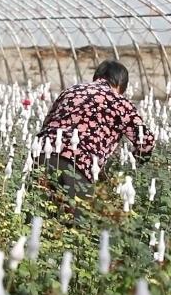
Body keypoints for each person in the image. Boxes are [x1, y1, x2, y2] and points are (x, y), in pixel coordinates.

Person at [36, 60, 155, 208]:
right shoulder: (119, 102)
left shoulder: (71, 91)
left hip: (40, 157)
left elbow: (47, 124)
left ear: (97, 76)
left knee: (37, 214)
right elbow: (147, 142)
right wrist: (135, 163)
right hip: (77, 166)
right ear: (121, 84)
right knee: (74, 219)